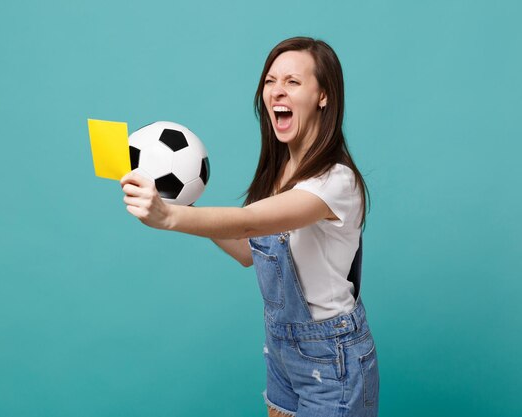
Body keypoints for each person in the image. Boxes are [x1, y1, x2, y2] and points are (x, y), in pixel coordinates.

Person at [120, 37, 379, 417]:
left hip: (332, 357)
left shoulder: (334, 181)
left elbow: (245, 223)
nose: (277, 91)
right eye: (270, 80)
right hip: (282, 350)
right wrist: (184, 200)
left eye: (292, 81)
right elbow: (248, 250)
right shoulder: (278, 174)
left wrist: (170, 216)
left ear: (323, 95)